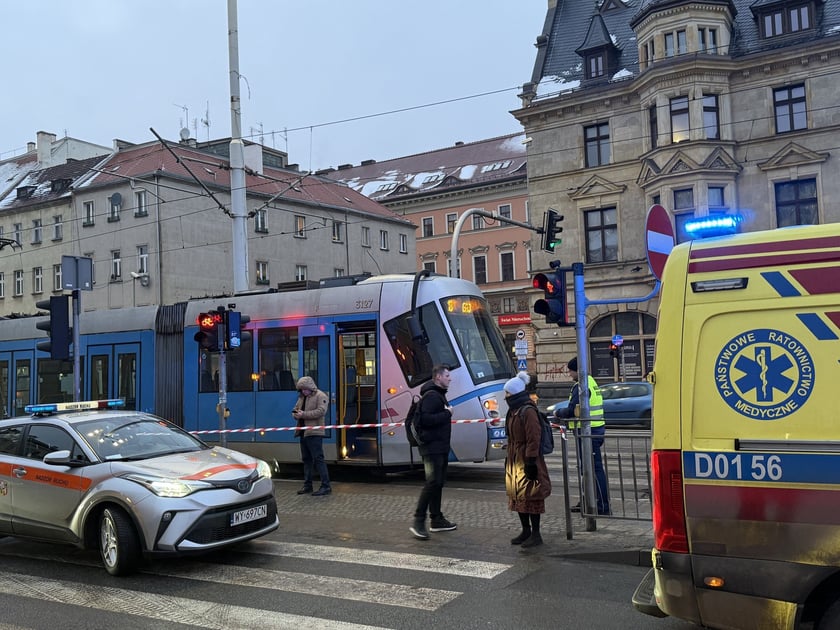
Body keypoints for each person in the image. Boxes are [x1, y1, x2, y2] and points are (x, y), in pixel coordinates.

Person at [554, 357, 610, 515]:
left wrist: (558, 413)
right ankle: (588, 501)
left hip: (588, 433)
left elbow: (572, 410)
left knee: (593, 469)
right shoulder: (591, 382)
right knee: (587, 468)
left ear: (577, 370)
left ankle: (601, 505)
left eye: (571, 371)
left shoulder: (582, 385)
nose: (569, 374)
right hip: (594, 430)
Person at [409, 364, 458, 540]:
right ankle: (418, 521)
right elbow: (426, 420)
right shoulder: (432, 396)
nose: (450, 378)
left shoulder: (438, 395)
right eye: (447, 375)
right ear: (438, 377)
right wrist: (447, 414)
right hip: (432, 448)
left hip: (439, 446)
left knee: (438, 483)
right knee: (432, 483)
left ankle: (436, 519)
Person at [504, 371, 552, 548]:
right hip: (515, 458)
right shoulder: (513, 411)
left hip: (527, 459)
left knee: (531, 495)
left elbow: (534, 437)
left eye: (507, 392)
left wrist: (531, 461)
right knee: (517, 495)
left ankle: (536, 534)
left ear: (515, 392)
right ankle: (525, 531)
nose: (505, 396)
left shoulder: (528, 411)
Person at [292, 375, 332, 496]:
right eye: (301, 390)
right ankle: (307, 485)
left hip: (315, 432)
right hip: (303, 432)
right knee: (306, 460)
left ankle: (326, 486)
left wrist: (303, 414)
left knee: (318, 459)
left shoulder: (321, 396)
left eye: (305, 389)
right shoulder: (302, 397)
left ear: (310, 387)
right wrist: (295, 414)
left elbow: (321, 411)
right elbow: (295, 409)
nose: (303, 391)